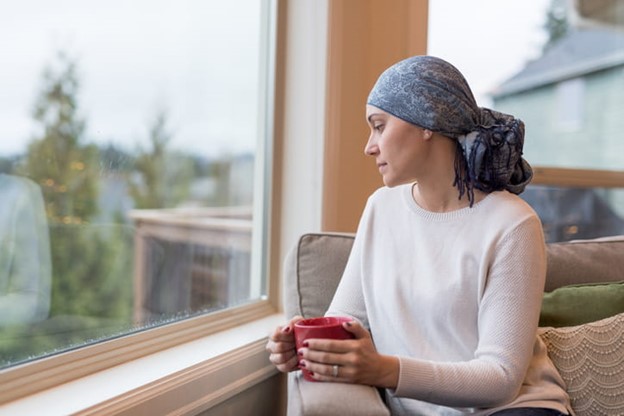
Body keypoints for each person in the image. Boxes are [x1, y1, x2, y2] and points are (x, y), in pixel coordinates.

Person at [266, 56, 572, 415]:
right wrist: (307, 343)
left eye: (379, 126)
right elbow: (347, 321)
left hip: (513, 409)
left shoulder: (513, 224)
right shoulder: (381, 208)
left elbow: (502, 378)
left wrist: (385, 370)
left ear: (427, 120)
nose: (369, 146)